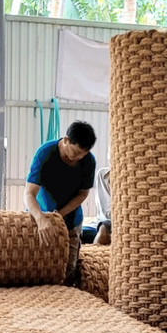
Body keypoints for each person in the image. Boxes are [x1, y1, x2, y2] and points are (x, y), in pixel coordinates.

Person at [25, 121, 96, 285]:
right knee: (37, 265)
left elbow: (83, 194)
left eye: (83, 154)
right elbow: (29, 193)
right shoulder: (45, 153)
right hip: (41, 215)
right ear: (66, 140)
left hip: (71, 220)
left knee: (68, 270)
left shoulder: (88, 161)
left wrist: (59, 215)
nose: (78, 157)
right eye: (76, 152)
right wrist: (41, 218)